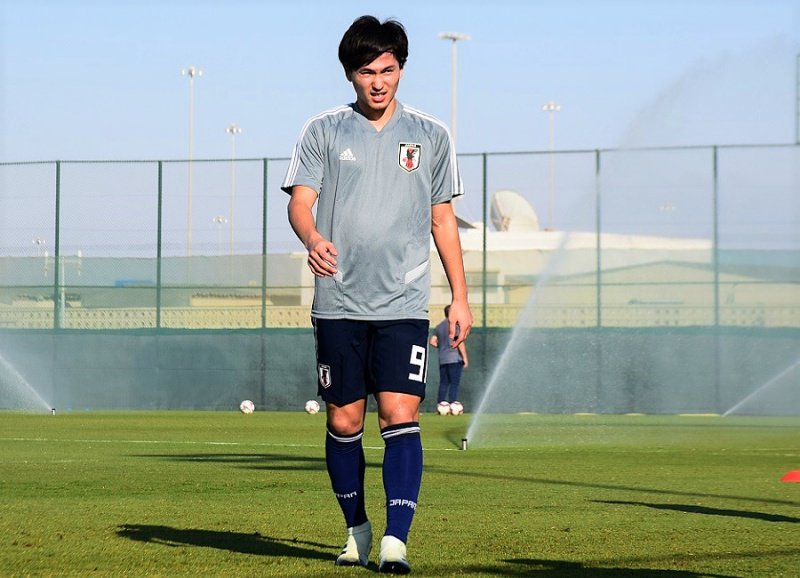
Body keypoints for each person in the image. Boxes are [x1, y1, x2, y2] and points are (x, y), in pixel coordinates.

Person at [282, 15, 472, 574]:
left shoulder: (431, 135)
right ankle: (357, 530)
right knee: (344, 422)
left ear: (401, 69)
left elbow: (443, 219)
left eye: (387, 70)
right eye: (367, 72)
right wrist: (312, 238)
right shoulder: (323, 130)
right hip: (339, 303)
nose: (378, 81)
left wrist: (460, 297)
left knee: (397, 414)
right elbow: (300, 201)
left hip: (404, 304)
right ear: (350, 74)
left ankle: (396, 541)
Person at [430, 305, 469, 410]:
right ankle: (453, 404)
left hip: (443, 359)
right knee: (454, 383)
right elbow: (459, 342)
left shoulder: (439, 326)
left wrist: (442, 346)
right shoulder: (455, 326)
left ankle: (441, 404)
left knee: (443, 383)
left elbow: (432, 342)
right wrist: (465, 358)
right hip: (454, 358)